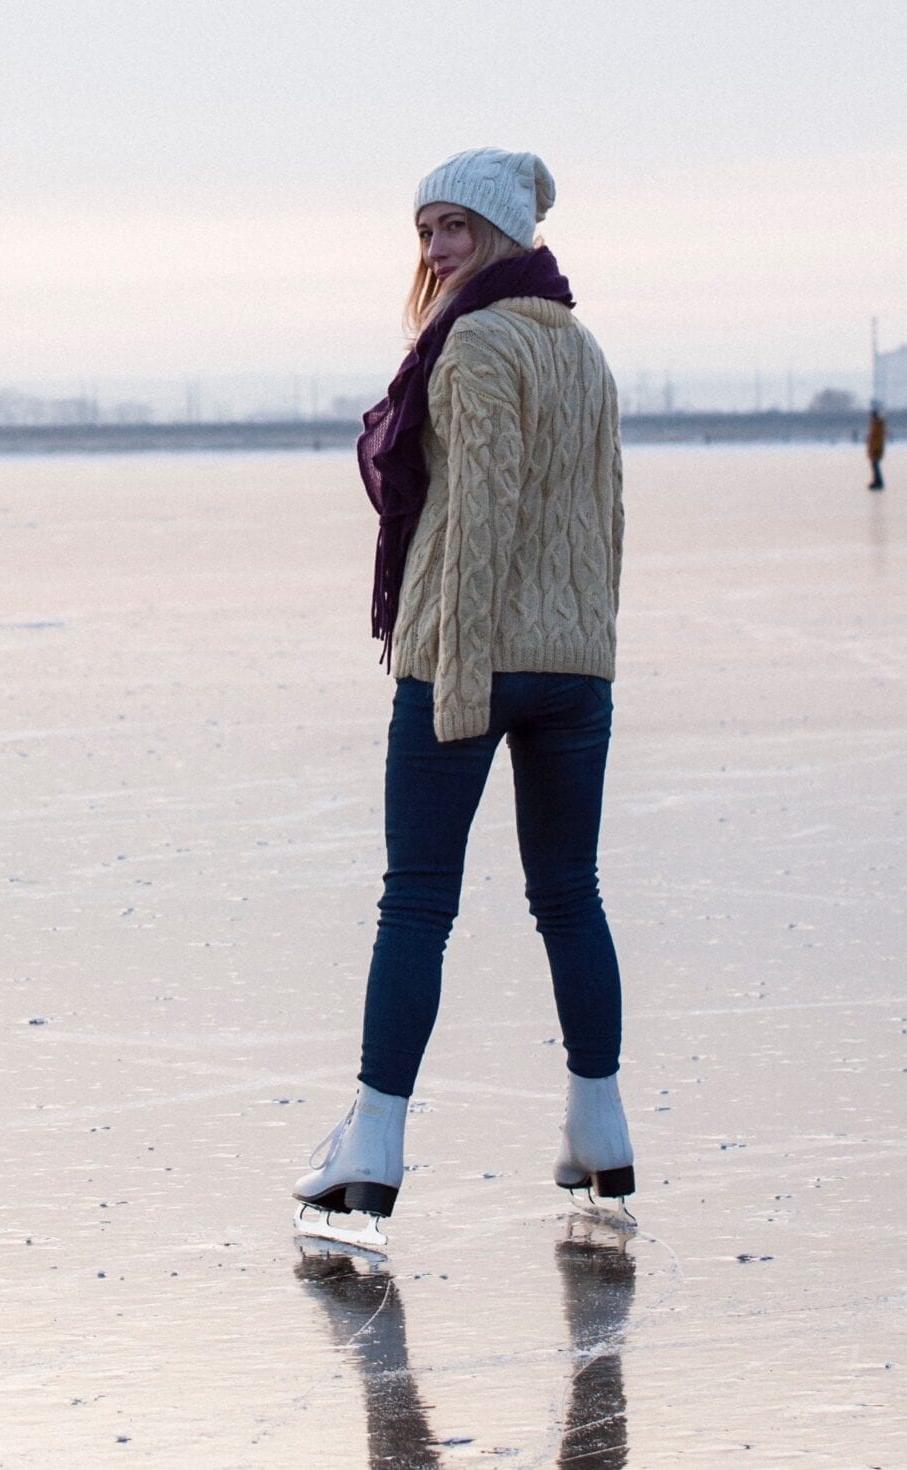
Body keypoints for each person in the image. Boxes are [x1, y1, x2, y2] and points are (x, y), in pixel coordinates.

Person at [294, 148, 633, 1247]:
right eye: (423, 231)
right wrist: (590, 648)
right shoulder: (580, 350)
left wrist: (460, 681)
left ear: (501, 235)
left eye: (452, 229)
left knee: (417, 904)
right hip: (574, 665)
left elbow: (479, 513)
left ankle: (372, 1148)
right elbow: (605, 518)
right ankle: (599, 1131)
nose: (435, 250)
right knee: (567, 896)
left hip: (468, 658)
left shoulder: (475, 341)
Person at [865, 405, 887, 490]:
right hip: (873, 448)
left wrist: (876, 448)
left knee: (875, 465)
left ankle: (878, 482)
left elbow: (878, 438)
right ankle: (876, 481)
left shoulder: (878, 424)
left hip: (876, 449)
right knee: (874, 466)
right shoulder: (874, 424)